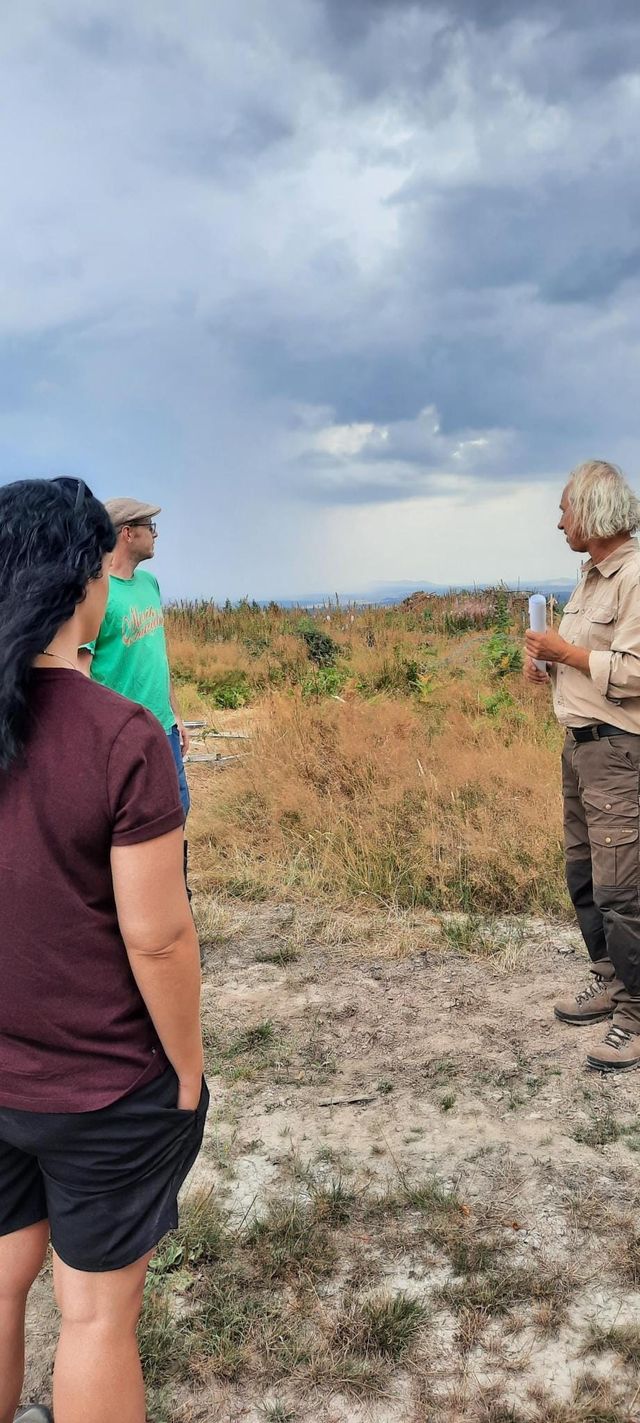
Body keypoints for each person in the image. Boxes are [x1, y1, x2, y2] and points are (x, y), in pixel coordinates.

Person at [0, 478, 207, 1423]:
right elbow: (158, 933)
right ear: (84, 583)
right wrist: (189, 1069)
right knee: (91, 1315)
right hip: (101, 1082)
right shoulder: (122, 736)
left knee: (1, 1279)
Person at [525, 459, 640, 1072]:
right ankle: (610, 979)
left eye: (565, 508)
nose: (559, 520)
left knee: (623, 888)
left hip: (620, 750)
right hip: (580, 746)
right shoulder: (590, 577)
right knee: (586, 874)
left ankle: (637, 1014)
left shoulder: (634, 577)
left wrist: (567, 651)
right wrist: (548, 662)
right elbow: (585, 659)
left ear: (593, 511)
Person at [78, 497, 191, 820]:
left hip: (163, 725)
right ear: (127, 533)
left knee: (178, 807)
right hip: (123, 731)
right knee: (132, 817)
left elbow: (157, 655)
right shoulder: (97, 591)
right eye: (149, 527)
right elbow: (82, 671)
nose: (155, 534)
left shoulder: (150, 583)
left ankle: (172, 871)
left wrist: (176, 716)